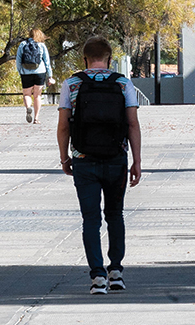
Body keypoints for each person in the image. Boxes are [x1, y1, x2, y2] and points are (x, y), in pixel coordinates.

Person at [57, 36, 142, 295]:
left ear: (85, 59)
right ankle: (116, 271)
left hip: (84, 160)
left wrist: (65, 158)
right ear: (109, 58)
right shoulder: (123, 84)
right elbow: (132, 124)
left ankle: (97, 277)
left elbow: (63, 126)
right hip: (116, 159)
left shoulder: (71, 84)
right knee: (115, 215)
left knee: (90, 219)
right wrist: (136, 161)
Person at [16, 28, 54, 124]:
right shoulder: (42, 46)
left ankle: (28, 108)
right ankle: (36, 118)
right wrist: (50, 75)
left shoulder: (22, 44)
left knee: (27, 94)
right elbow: (47, 61)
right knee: (37, 95)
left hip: (26, 73)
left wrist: (21, 71)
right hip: (40, 72)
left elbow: (18, 60)